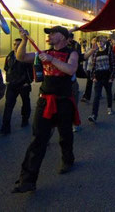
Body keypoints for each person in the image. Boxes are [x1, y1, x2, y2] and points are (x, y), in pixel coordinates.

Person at [12, 25, 80, 193]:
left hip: (64, 102)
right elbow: (20, 57)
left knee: (65, 135)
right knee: (38, 140)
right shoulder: (43, 53)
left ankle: (67, 159)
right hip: (45, 101)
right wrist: (25, 39)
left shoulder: (72, 53)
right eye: (49, 33)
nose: (50, 35)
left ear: (63, 37)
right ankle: (27, 180)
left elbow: (71, 69)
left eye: (53, 33)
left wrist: (52, 60)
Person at [0, 38, 33, 135]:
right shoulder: (9, 56)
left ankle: (25, 119)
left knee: (26, 103)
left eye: (18, 44)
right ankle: (5, 128)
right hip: (12, 85)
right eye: (14, 44)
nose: (16, 46)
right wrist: (8, 80)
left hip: (23, 84)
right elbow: (6, 68)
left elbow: (31, 71)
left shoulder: (25, 57)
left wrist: (28, 82)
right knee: (8, 106)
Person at [87, 36, 115, 122]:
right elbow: (93, 66)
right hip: (98, 77)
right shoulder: (95, 53)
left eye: (101, 41)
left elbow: (114, 65)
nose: (100, 43)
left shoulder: (109, 51)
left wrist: (112, 77)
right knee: (96, 96)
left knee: (108, 93)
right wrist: (93, 77)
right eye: (98, 42)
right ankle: (94, 115)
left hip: (107, 76)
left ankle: (109, 107)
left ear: (104, 42)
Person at [81, 37, 97, 103]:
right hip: (89, 68)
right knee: (89, 82)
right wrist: (84, 68)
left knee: (97, 83)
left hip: (97, 69)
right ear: (91, 41)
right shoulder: (88, 48)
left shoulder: (99, 48)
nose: (94, 42)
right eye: (93, 40)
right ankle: (87, 97)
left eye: (96, 40)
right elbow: (85, 59)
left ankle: (98, 94)